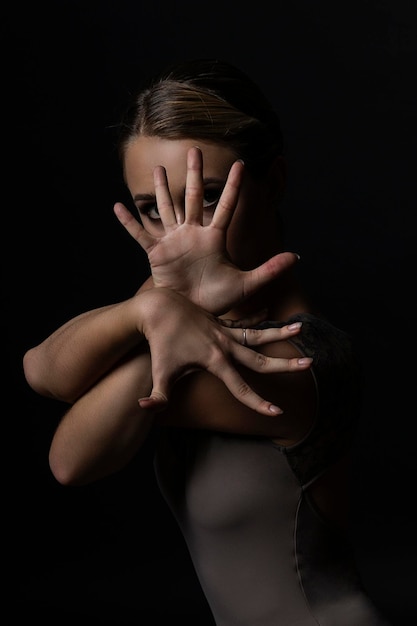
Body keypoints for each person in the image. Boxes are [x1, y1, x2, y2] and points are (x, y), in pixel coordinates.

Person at [23, 58, 390, 625]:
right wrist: (151, 307)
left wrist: (157, 313)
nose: (183, 232)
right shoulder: (169, 310)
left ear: (275, 184)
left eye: (210, 197)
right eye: (155, 207)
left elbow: (72, 460)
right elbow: (39, 368)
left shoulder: (305, 361)